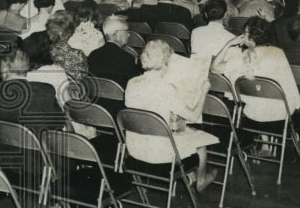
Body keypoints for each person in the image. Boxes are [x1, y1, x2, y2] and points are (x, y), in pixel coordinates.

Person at [123, 40, 218, 191]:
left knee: (183, 132)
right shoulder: (166, 89)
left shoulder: (131, 83)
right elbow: (193, 116)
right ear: (166, 62)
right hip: (161, 154)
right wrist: (203, 92)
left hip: (135, 148)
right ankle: (201, 180)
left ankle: (190, 176)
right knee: (200, 144)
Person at [87, 15, 142, 89]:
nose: (128, 35)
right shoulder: (127, 58)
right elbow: (135, 86)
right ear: (116, 35)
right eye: (126, 31)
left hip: (96, 99)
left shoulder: (93, 55)